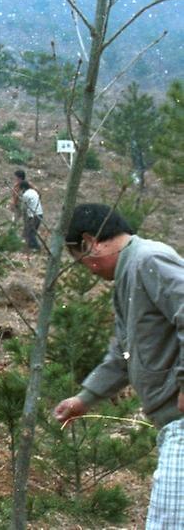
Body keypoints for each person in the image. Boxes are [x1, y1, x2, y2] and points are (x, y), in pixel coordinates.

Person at [53, 203, 183, 529]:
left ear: (90, 242)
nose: (87, 268)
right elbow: (122, 356)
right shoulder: (128, 276)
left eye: (80, 258)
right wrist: (84, 399)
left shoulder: (148, 260)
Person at [18, 181, 43, 251]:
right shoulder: (33, 191)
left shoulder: (25, 195)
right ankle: (30, 247)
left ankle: (37, 247)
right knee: (32, 232)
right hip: (40, 214)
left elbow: (23, 207)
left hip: (34, 215)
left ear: (23, 188)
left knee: (30, 232)